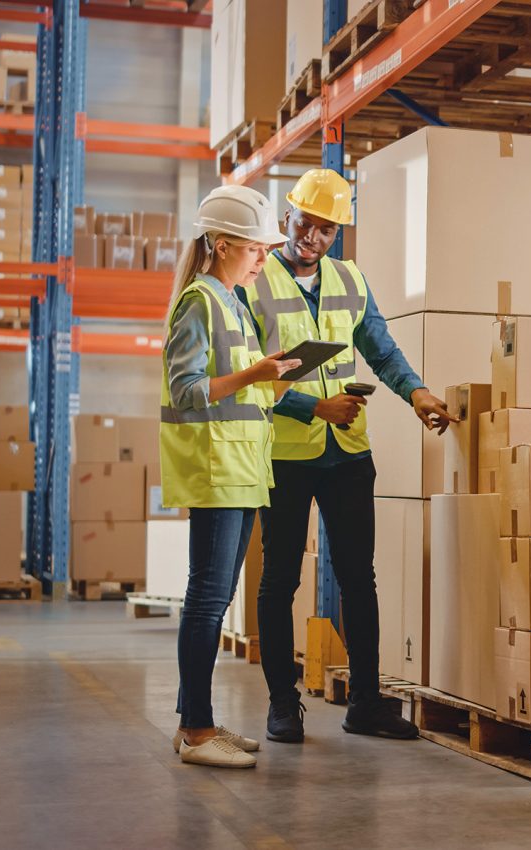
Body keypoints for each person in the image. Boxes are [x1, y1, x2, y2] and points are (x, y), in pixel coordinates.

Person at [240, 168, 454, 743]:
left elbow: (380, 348)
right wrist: (313, 410)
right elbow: (248, 379)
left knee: (360, 577)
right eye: (307, 222)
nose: (314, 236)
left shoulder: (349, 280)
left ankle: (365, 703)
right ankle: (283, 705)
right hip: (285, 454)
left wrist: (416, 392)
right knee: (279, 580)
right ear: (288, 216)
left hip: (347, 455)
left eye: (327, 229)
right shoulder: (255, 283)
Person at [160, 185, 302, 768]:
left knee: (214, 602)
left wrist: (278, 378)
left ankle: (200, 722)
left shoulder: (234, 302)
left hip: (242, 470)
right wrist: (253, 376)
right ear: (221, 246)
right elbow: (187, 391)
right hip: (216, 469)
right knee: (206, 601)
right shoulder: (200, 301)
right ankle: (195, 731)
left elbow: (243, 393)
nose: (265, 260)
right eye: (256, 250)